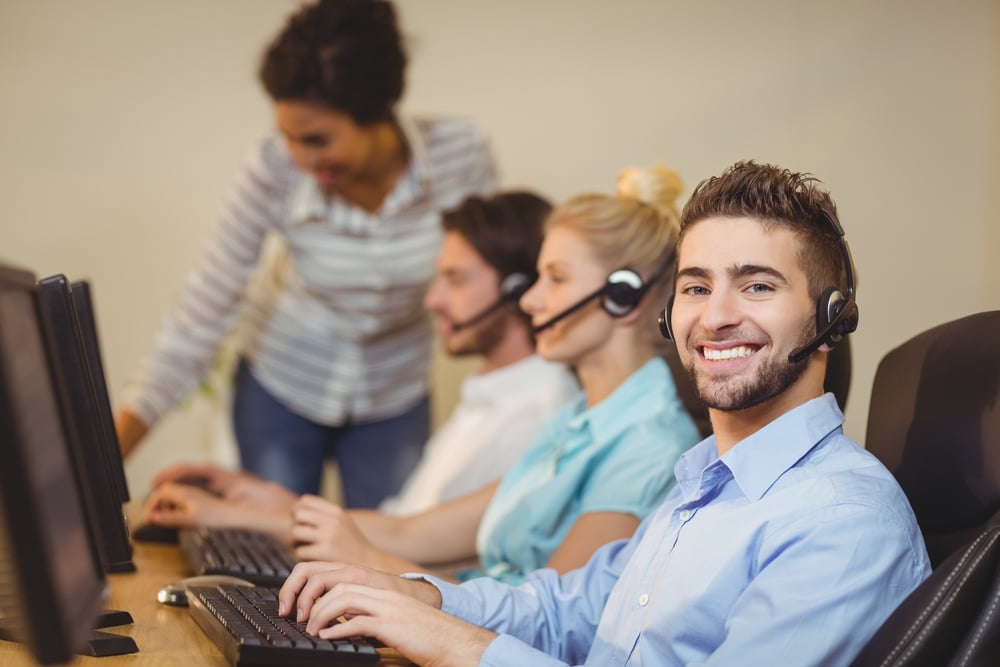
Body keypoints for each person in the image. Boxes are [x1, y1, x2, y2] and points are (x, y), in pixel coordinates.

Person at [276, 160, 933, 666]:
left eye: (758, 284)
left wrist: (459, 644)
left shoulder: (841, 519)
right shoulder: (699, 489)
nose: (716, 314)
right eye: (696, 286)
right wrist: (419, 596)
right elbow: (566, 607)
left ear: (830, 318)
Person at [149, 165, 702, 585]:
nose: (531, 301)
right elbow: (410, 531)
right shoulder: (577, 427)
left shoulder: (644, 445)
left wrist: (365, 565)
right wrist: (253, 509)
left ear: (623, 295)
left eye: (554, 279)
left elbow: (552, 621)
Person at [114, 0, 497, 506]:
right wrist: (99, 465)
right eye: (288, 137)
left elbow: (493, 275)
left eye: (317, 140)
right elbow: (199, 317)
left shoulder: (460, 154)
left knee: (389, 556)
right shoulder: (274, 168)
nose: (300, 157)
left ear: (377, 112)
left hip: (395, 392)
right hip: (281, 386)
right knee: (274, 562)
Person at [142, 190, 579, 529]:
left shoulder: (535, 415)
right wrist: (260, 497)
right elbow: (401, 524)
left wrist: (239, 517)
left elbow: (417, 548)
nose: (433, 300)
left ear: (518, 290)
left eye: (456, 279)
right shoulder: (492, 396)